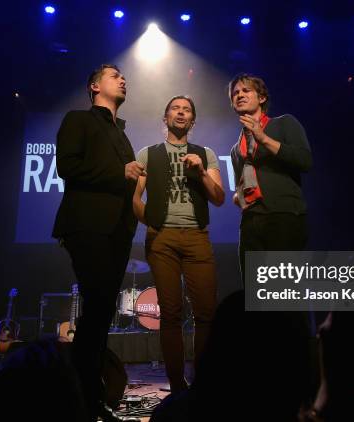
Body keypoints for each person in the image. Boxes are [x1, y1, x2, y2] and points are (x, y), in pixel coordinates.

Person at [52, 64, 143, 422]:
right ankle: (82, 399)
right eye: (113, 75)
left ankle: (88, 397)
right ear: (94, 86)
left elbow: (126, 182)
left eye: (124, 76)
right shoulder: (78, 119)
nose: (122, 79)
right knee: (98, 306)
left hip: (119, 230)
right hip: (86, 224)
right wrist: (119, 173)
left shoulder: (122, 133)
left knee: (101, 313)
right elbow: (67, 167)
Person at [133, 95, 224, 394]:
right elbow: (133, 199)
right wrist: (155, 224)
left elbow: (219, 197)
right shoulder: (148, 154)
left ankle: (204, 383)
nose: (181, 113)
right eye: (176, 108)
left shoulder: (206, 154)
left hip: (197, 236)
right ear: (166, 118)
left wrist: (199, 171)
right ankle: (176, 386)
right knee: (170, 313)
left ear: (193, 120)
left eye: (187, 110)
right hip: (162, 239)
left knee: (206, 313)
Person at [228, 73, 312, 284]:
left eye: (246, 90)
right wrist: (238, 196)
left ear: (262, 98)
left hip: (283, 216)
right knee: (255, 294)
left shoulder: (284, 123)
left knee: (285, 294)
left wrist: (263, 138)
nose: (239, 95)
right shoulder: (236, 149)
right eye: (235, 93)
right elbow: (240, 184)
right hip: (250, 223)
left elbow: (305, 161)